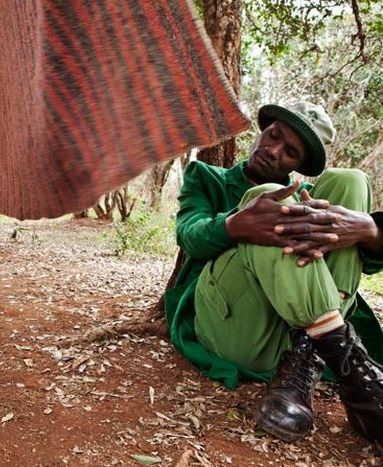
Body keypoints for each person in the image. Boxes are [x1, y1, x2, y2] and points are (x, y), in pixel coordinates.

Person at [163, 101, 383, 444]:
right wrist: (235, 224)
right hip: (234, 323)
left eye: (290, 152)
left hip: (288, 331)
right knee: (268, 200)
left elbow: (362, 261)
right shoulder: (207, 176)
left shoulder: (307, 197)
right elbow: (190, 236)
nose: (273, 150)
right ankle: (351, 369)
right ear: (262, 131)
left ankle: (309, 356)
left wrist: (370, 230)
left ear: (299, 164)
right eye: (273, 135)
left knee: (350, 181)